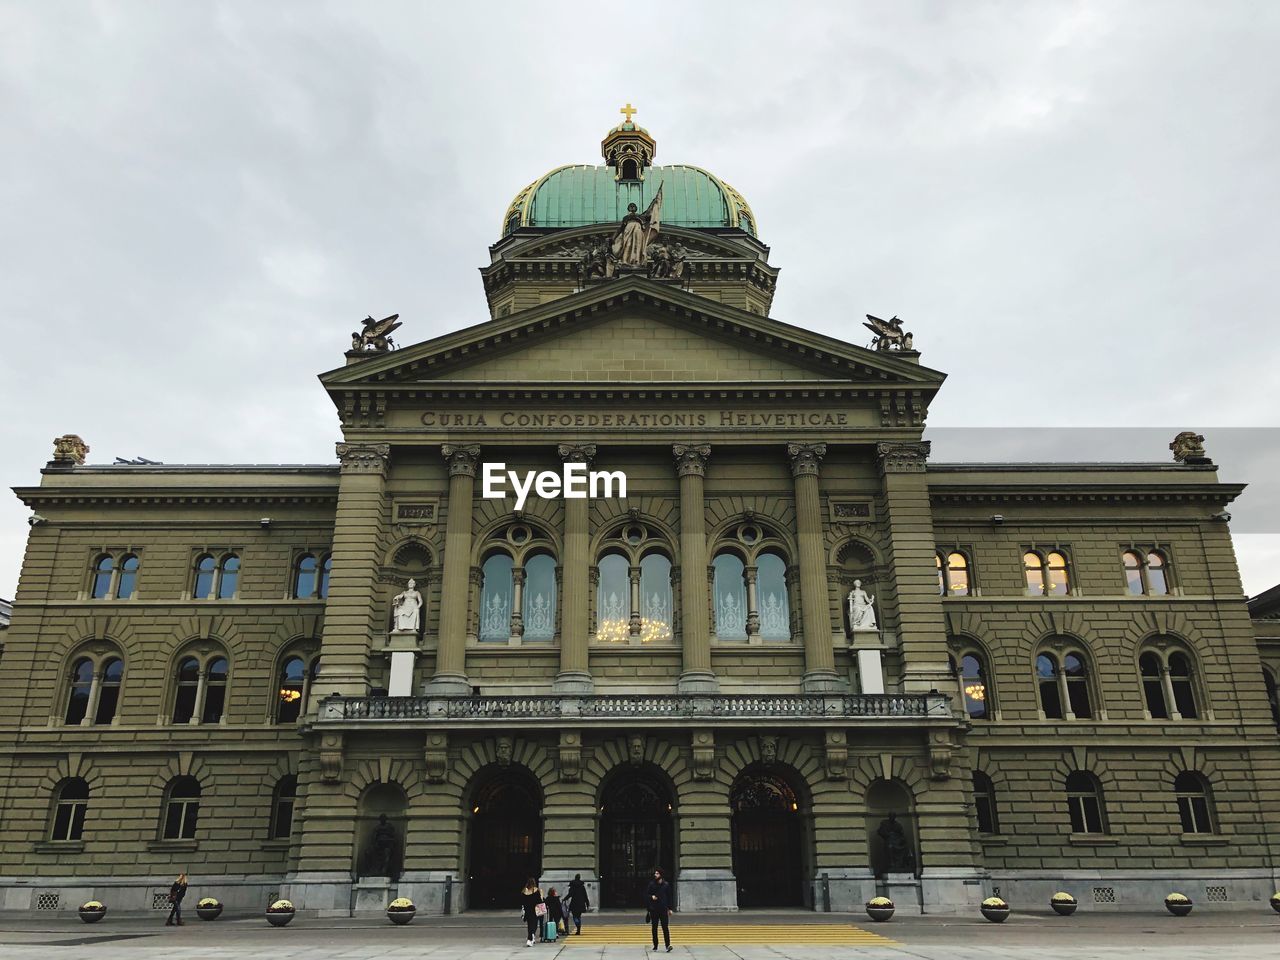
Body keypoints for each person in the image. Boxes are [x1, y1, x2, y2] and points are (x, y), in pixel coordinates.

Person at [644, 867, 673, 952]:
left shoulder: (666, 885)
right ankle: (655, 945)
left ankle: (668, 945)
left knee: (665, 928)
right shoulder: (651, 884)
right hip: (654, 909)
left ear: (661, 875)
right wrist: (651, 896)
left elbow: (669, 897)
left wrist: (670, 909)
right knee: (654, 928)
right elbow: (646, 895)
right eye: (655, 873)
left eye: (657, 873)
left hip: (663, 909)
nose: (655, 875)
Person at [519, 877, 543, 948]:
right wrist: (541, 896)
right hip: (534, 910)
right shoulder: (536, 891)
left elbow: (522, 901)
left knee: (529, 925)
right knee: (534, 924)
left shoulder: (524, 892)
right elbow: (539, 901)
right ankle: (530, 938)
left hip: (527, 911)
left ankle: (531, 937)